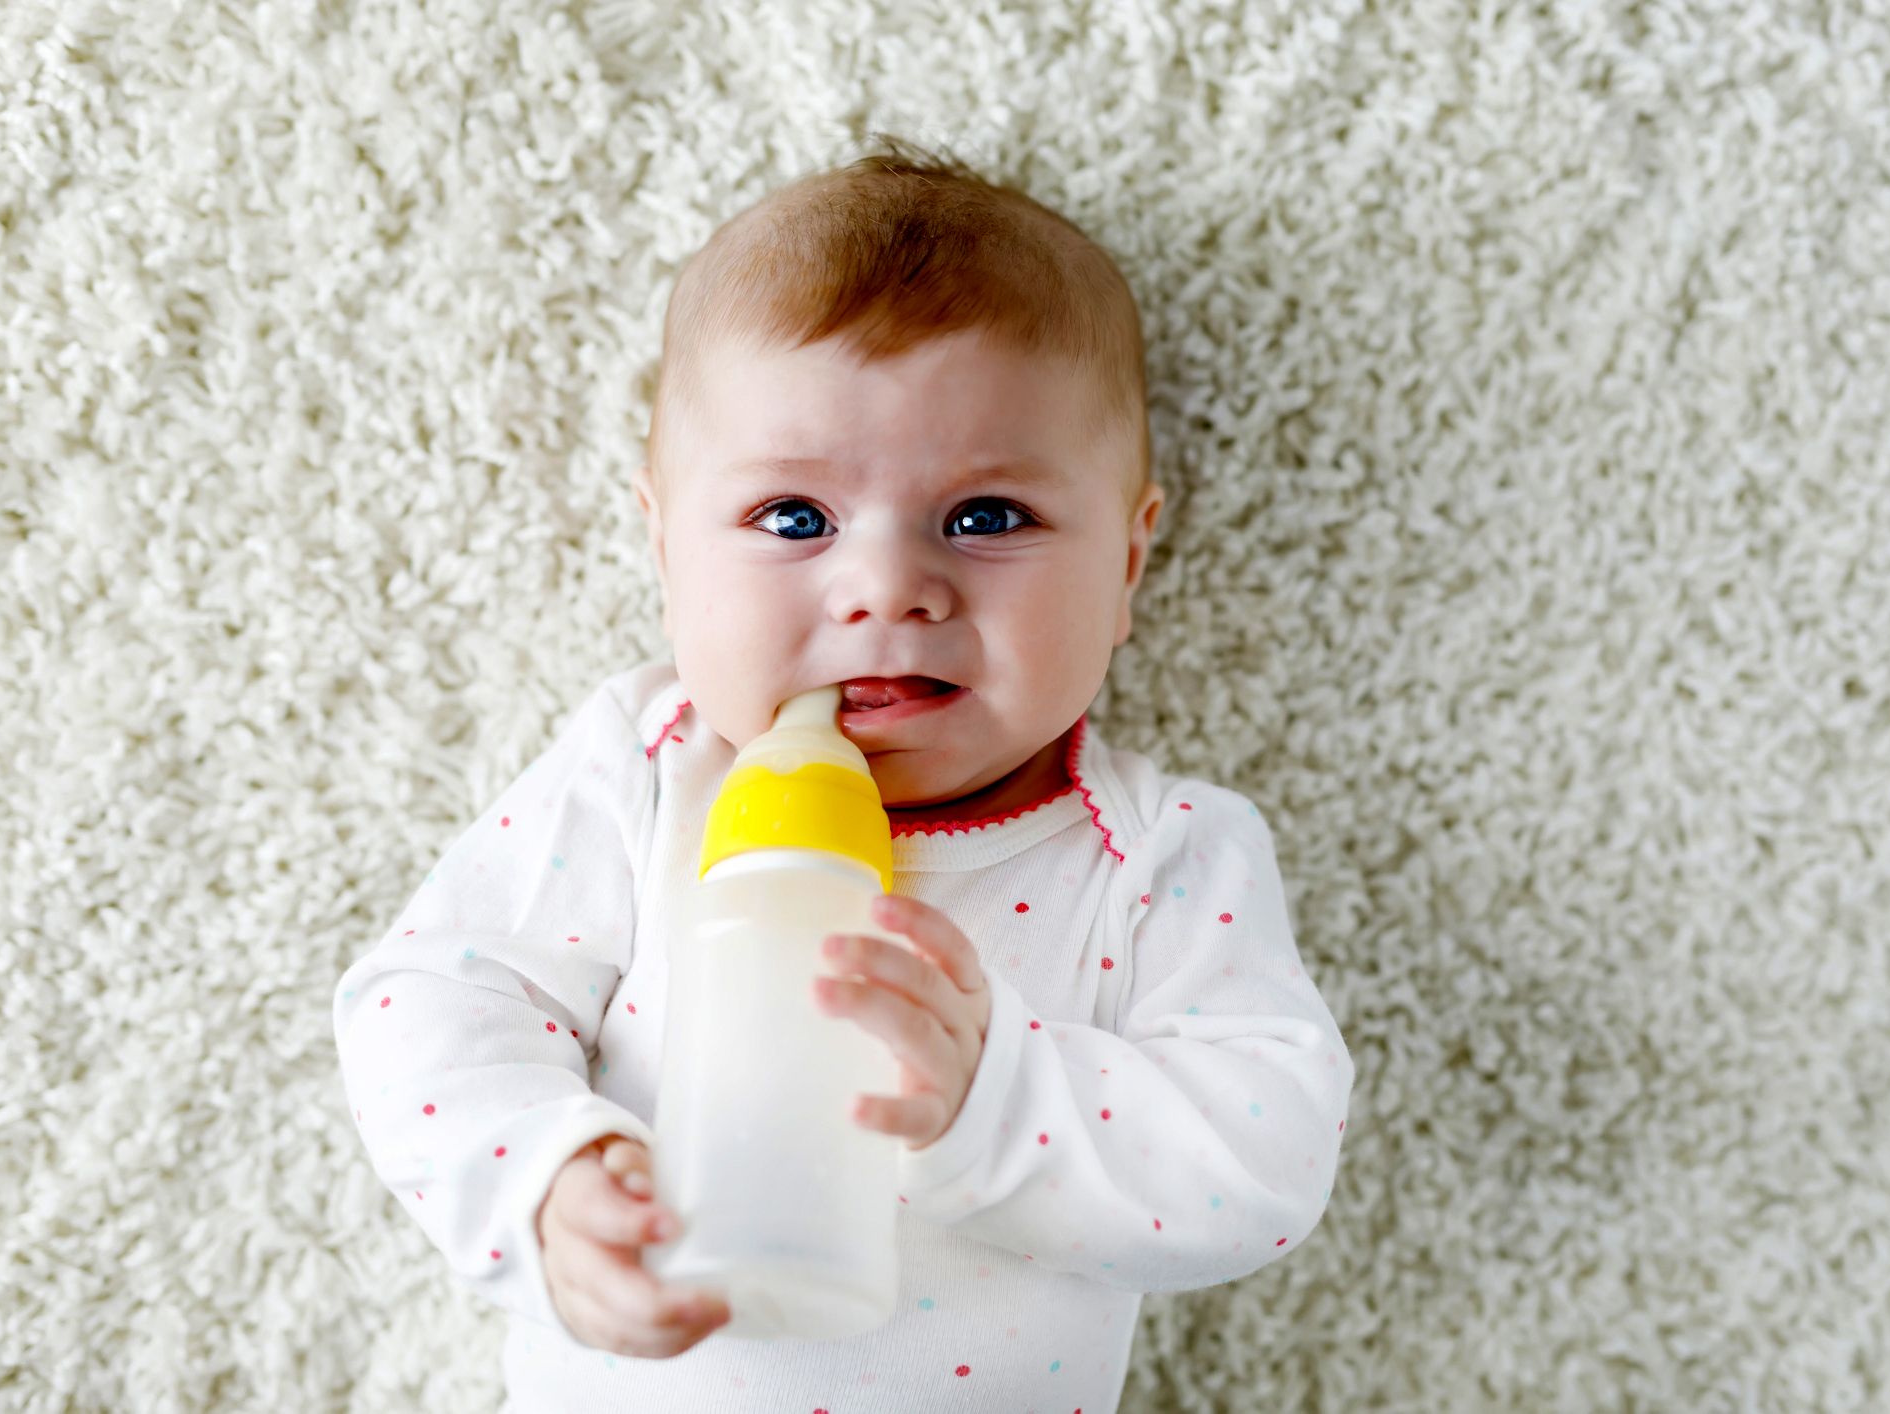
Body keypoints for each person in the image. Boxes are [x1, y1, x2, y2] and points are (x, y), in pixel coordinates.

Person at [332, 134, 1355, 1413]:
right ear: (664, 545)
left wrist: (995, 1094)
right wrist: (546, 1180)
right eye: (794, 519)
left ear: (1131, 565)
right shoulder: (647, 772)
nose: (885, 589)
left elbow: (1261, 1155)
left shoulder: (1156, 853)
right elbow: (432, 1001)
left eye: (987, 518)